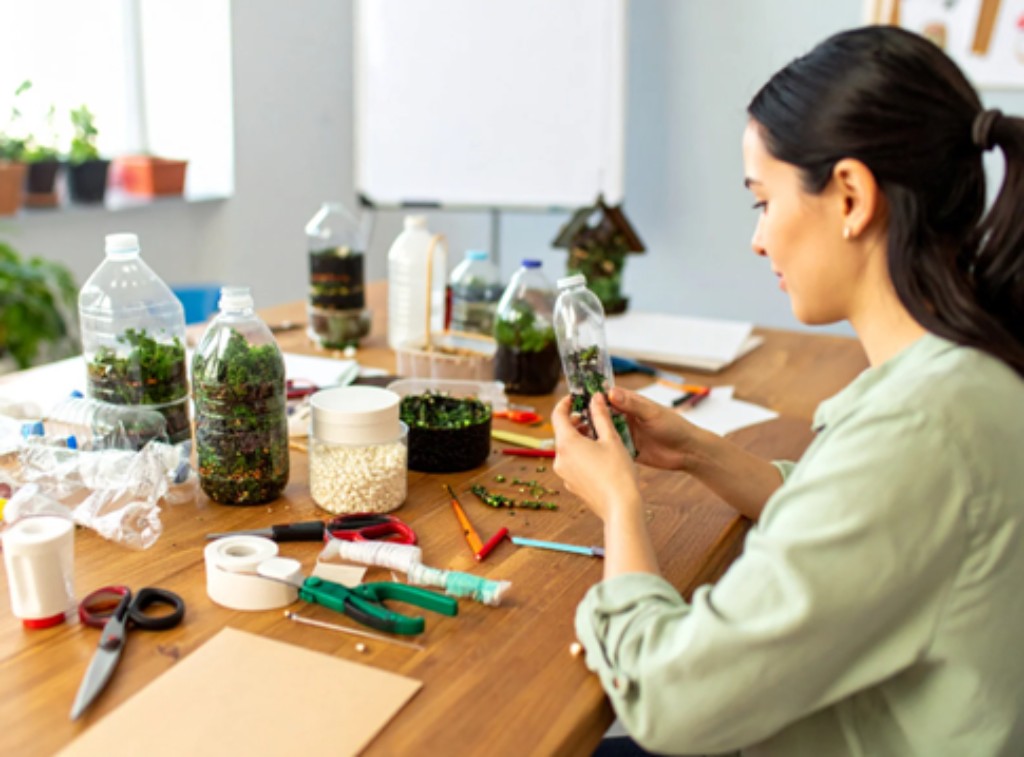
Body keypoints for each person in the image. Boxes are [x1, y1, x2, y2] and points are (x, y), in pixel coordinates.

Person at [552, 25, 1024, 756]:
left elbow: (671, 698)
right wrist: (701, 452)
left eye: (761, 202)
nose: (758, 239)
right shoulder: (970, 368)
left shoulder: (922, 429)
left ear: (849, 196)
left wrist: (619, 505)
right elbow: (867, 519)